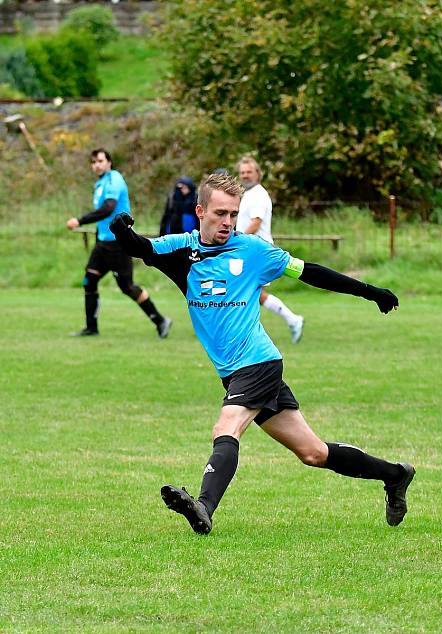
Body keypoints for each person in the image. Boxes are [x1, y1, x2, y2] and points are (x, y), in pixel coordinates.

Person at [109, 172, 414, 534]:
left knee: (227, 425)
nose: (227, 222)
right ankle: (395, 476)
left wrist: (368, 291)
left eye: (233, 214)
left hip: (258, 362)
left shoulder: (253, 251)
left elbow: (310, 272)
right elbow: (142, 248)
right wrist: (122, 232)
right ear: (200, 210)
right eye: (220, 213)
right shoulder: (181, 250)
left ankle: (203, 506)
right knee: (313, 453)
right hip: (234, 370)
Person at [66, 148, 171, 338]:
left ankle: (160, 320)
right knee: (89, 281)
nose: (96, 165)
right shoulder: (99, 184)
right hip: (103, 244)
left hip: (119, 243)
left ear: (109, 162)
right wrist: (98, 237)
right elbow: (103, 219)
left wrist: (80, 221)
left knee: (127, 287)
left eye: (100, 161)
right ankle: (91, 328)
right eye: (93, 162)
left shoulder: (115, 179)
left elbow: (108, 209)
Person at [236, 156, 305, 344]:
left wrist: (234, 240)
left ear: (258, 173)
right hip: (249, 251)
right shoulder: (248, 194)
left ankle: (290, 321)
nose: (245, 175)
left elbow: (256, 223)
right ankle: (292, 320)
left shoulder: (258, 195)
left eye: (249, 172)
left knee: (245, 291)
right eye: (242, 172)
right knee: (249, 293)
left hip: (257, 252)